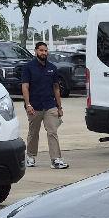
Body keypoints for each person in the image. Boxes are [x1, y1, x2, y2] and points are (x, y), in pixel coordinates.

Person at [19, 41, 68, 170]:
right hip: (34, 106)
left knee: (52, 131)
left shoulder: (52, 68)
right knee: (33, 133)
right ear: (35, 51)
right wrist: (28, 104)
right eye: (41, 50)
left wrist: (59, 107)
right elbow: (25, 87)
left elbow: (56, 88)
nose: (44, 53)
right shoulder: (28, 67)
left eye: (45, 51)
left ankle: (56, 159)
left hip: (50, 105)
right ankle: (30, 156)